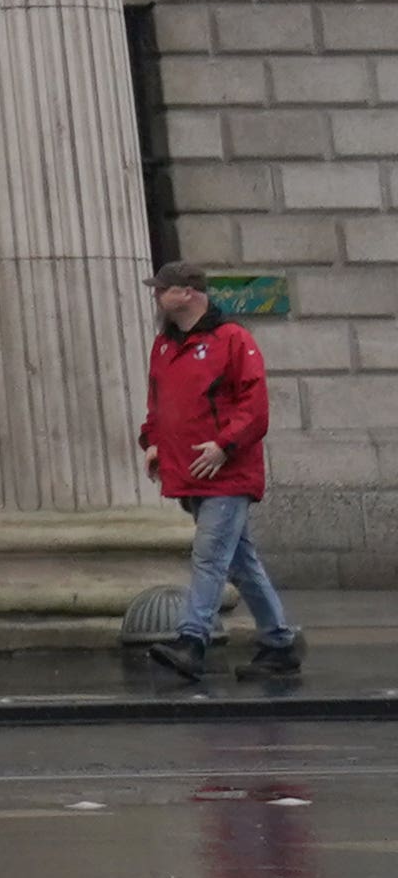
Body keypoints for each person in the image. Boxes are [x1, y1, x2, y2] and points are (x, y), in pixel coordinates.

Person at [140, 265, 302, 680]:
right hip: (192, 471)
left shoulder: (233, 339)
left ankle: (192, 641)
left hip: (226, 473)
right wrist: (152, 442)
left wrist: (225, 447)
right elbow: (159, 403)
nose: (157, 296)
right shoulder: (164, 345)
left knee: (209, 556)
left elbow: (254, 407)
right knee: (241, 563)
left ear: (190, 293)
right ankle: (278, 644)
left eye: (164, 290)